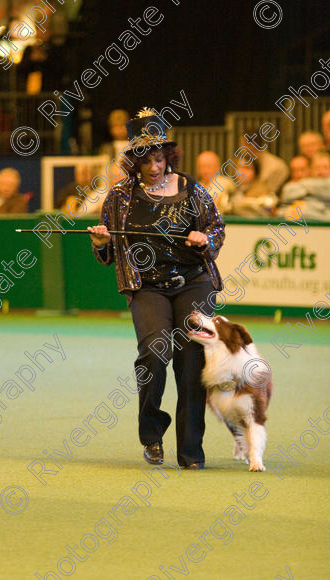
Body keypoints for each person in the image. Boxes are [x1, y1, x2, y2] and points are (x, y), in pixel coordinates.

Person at [88, 109, 225, 469]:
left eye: (159, 158)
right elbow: (108, 252)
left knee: (192, 361)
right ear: (134, 162)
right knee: (153, 352)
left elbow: (217, 229)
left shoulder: (193, 189)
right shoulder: (120, 197)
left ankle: (191, 453)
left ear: (169, 157)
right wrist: (102, 243)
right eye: (145, 160)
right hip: (147, 286)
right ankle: (152, 434)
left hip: (193, 282)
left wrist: (204, 238)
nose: (153, 167)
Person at [278, 152, 330, 221]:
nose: (321, 171)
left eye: (326, 167)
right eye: (317, 168)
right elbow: (287, 194)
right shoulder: (308, 182)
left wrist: (306, 187)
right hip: (304, 223)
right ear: (311, 170)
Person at [240, 129, 289, 194]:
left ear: (252, 145)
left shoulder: (276, 167)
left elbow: (266, 192)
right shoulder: (253, 162)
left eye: (243, 144)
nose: (240, 148)